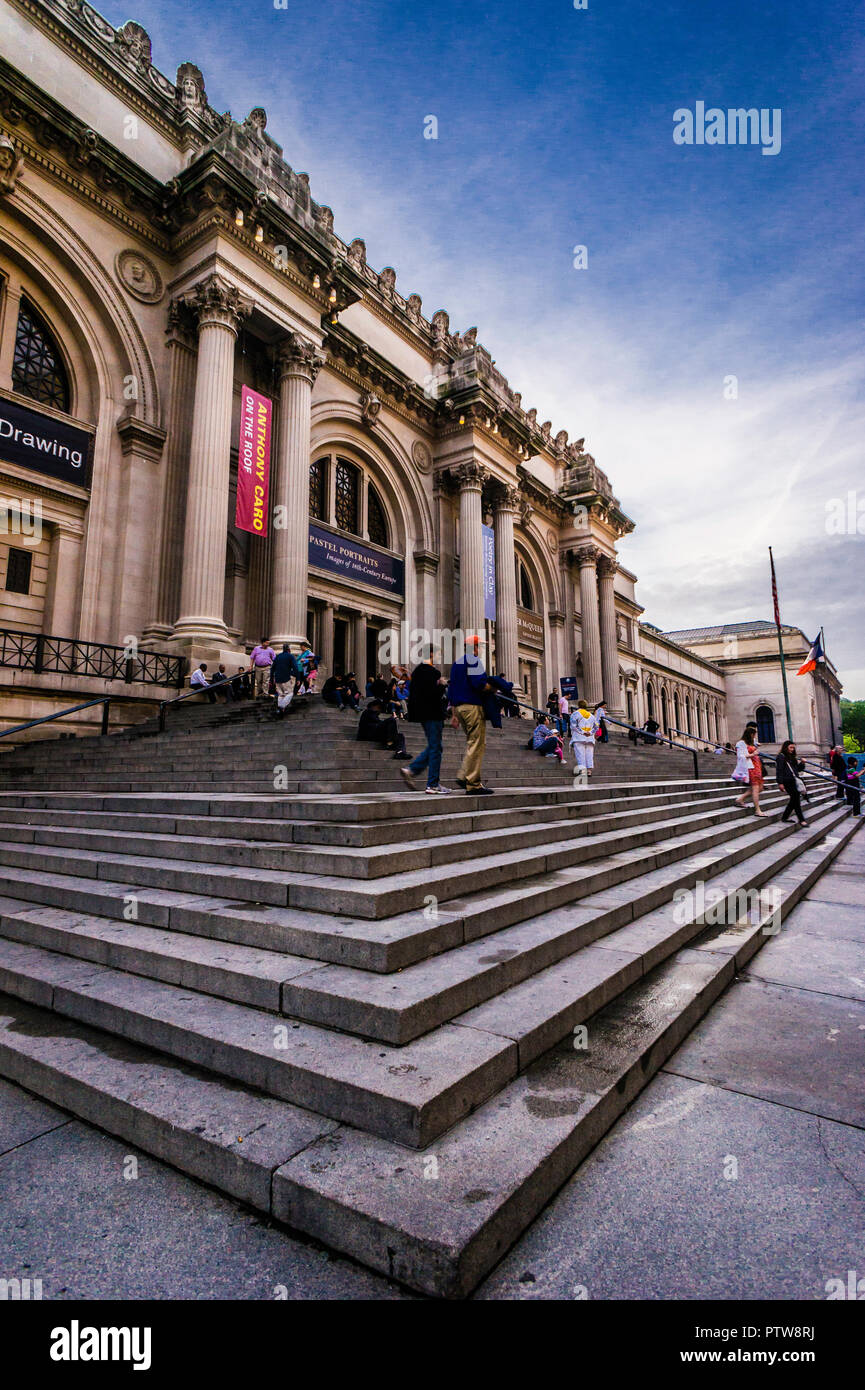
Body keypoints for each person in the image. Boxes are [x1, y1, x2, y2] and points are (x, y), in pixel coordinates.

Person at [447, 634, 495, 795]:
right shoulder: (474, 661)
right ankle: (472, 782)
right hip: (472, 706)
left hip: (459, 708)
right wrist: (493, 687)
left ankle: (465, 776)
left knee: (472, 743)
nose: (480, 649)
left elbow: (451, 690)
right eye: (479, 646)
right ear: (474, 648)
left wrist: (454, 714)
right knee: (477, 743)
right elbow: (479, 684)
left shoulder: (456, 664)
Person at [400, 647, 449, 793]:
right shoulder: (433, 673)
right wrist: (442, 685)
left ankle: (413, 770)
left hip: (422, 714)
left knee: (435, 746)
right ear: (431, 654)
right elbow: (433, 695)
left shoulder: (417, 671)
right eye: (439, 654)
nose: (440, 657)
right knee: (435, 747)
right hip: (433, 713)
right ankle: (432, 784)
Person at [734, 724, 766, 816]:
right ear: (750, 734)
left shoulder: (751, 743)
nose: (754, 737)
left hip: (757, 766)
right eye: (754, 734)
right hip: (750, 768)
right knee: (756, 788)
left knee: (760, 788)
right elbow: (740, 756)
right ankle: (757, 810)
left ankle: (740, 799)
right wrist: (753, 754)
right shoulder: (741, 743)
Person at [776, 739, 807, 826]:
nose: (792, 749)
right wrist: (780, 783)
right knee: (796, 799)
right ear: (786, 747)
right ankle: (801, 819)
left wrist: (802, 763)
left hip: (794, 780)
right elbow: (779, 770)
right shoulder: (781, 756)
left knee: (794, 799)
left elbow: (797, 769)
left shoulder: (792, 757)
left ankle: (785, 817)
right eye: (790, 747)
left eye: (793, 748)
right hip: (787, 781)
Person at [570, 702, 599, 774]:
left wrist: (583, 732)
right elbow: (596, 726)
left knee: (580, 754)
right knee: (589, 754)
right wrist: (590, 732)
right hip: (589, 738)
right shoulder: (591, 715)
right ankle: (589, 770)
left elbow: (573, 726)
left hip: (579, 737)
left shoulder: (575, 714)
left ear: (578, 705)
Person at [271, 643, 299, 716]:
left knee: (281, 695)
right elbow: (295, 668)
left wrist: (271, 679)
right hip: (286, 678)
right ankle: (281, 707)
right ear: (289, 649)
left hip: (277, 678)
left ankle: (281, 711)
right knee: (289, 693)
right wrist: (298, 678)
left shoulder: (278, 657)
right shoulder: (290, 656)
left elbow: (272, 668)